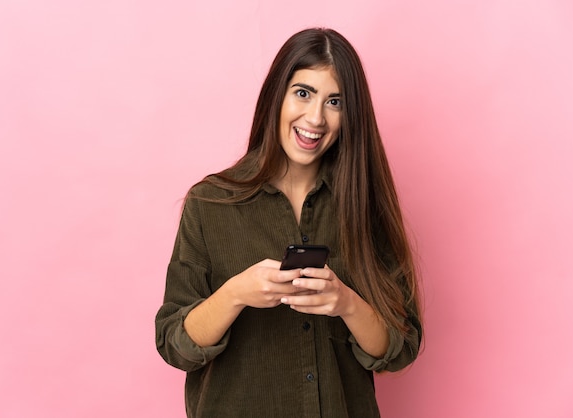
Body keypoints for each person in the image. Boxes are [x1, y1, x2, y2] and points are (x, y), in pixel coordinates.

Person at [155, 27, 423, 418]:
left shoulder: (364, 207)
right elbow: (174, 345)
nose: (316, 118)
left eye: (335, 101)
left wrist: (346, 303)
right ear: (276, 96)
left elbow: (400, 347)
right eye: (303, 93)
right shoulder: (210, 204)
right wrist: (235, 294)